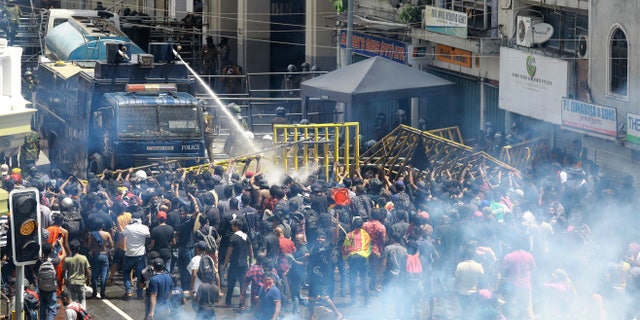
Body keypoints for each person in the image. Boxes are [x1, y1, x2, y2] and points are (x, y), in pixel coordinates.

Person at [341, 216, 371, 306]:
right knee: (364, 280)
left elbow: (345, 248)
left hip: (353, 259)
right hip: (363, 259)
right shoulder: (366, 235)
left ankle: (353, 301)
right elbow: (368, 247)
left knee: (352, 280)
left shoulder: (350, 235)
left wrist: (345, 259)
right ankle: (366, 302)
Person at [222, 219, 253, 307]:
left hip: (234, 264)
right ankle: (242, 303)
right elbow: (250, 250)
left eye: (232, 226)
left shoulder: (233, 238)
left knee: (231, 283)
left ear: (236, 227)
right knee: (243, 284)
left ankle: (228, 302)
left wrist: (225, 264)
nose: (231, 227)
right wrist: (250, 261)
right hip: (244, 264)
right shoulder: (246, 236)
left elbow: (229, 252)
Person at [122, 212, 150, 300]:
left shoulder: (128, 227)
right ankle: (139, 294)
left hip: (129, 253)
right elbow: (148, 236)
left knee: (126, 272)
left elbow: (122, 234)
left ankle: (128, 290)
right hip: (140, 254)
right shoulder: (144, 228)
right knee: (140, 275)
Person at [38, 242, 65, 320]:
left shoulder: (39, 262)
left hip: (41, 289)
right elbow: (64, 254)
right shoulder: (54, 261)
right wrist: (61, 244)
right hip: (51, 289)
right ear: (51, 251)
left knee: (42, 310)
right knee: (51, 311)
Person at [88, 218, 113, 299]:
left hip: (95, 255)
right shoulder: (107, 234)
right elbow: (112, 245)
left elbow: (89, 246)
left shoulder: (92, 234)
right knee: (104, 275)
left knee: (94, 275)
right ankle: (103, 293)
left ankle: (94, 293)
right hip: (104, 254)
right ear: (102, 225)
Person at [62, 239, 91, 309]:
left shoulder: (67, 259)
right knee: (82, 299)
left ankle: (74, 314)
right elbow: (88, 270)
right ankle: (83, 314)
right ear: (79, 248)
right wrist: (88, 280)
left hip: (71, 282)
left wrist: (62, 281)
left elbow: (63, 271)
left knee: (73, 300)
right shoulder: (83, 258)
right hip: (80, 282)